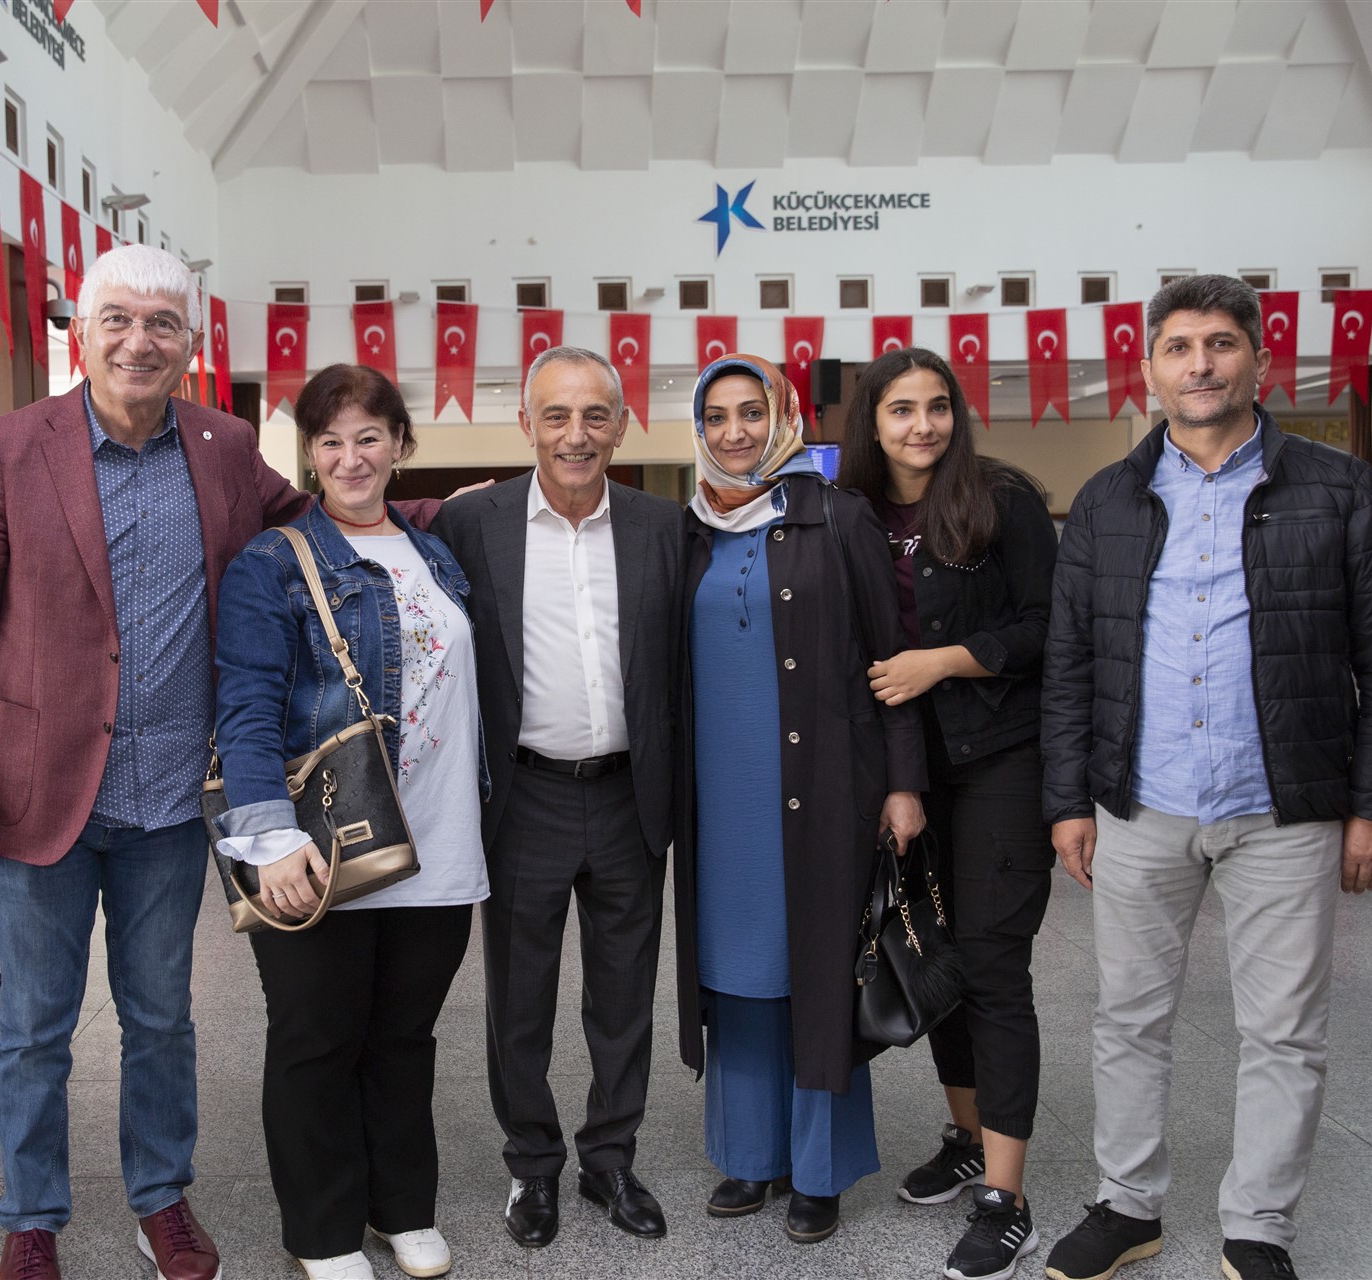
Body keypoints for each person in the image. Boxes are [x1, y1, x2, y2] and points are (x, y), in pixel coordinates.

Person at [1041, 275, 1372, 1280]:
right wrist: (1067, 801)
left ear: (1259, 358)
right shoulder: (1108, 500)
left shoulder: (1338, 487)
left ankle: (1259, 1226)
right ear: (1149, 369)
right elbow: (1070, 661)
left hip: (1285, 807)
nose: (1200, 364)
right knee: (1128, 1018)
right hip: (1140, 802)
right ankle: (1127, 1206)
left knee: (1284, 1031)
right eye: (1178, 347)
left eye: (1220, 343)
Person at [0, 245, 281, 1280]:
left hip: (169, 799)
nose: (138, 340)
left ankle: (161, 1197)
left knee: (161, 1018)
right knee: (34, 1027)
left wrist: (446, 517)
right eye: (117, 319)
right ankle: (31, 1214)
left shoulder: (225, 445)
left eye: (162, 322)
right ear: (80, 334)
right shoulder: (7, 447)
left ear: (191, 343)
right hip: (37, 791)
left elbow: (314, 522)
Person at [213, 364, 488, 1280]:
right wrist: (270, 839)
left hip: (439, 840)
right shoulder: (271, 563)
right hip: (323, 841)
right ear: (309, 454)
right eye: (330, 441)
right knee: (316, 1039)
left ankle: (400, 1207)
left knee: (404, 1039)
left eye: (369, 436)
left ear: (401, 444)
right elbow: (246, 708)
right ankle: (324, 1230)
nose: (350, 457)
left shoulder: (437, 553)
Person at [430, 346, 683, 1250]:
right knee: (519, 999)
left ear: (622, 426)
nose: (576, 435)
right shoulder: (473, 522)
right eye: (557, 416)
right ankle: (532, 1165)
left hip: (629, 797)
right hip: (522, 798)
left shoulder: (664, 526)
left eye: (595, 416)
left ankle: (609, 1158)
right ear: (527, 425)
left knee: (624, 996)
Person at [673, 353, 928, 1247]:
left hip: (823, 782)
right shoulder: (690, 529)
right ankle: (751, 1155)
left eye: (752, 412)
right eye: (716, 417)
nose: (735, 432)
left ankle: (818, 1170)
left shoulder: (837, 514)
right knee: (738, 970)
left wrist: (903, 782)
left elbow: (889, 658)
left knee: (816, 968)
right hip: (721, 796)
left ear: (783, 417)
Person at [836, 347, 1058, 1280]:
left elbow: (1047, 625)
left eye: (936, 406)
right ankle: (968, 1139)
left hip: (1000, 761)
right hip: (904, 774)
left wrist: (945, 661)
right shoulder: (847, 512)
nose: (921, 424)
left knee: (996, 969)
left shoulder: (1001, 499)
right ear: (872, 423)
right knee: (942, 961)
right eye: (901, 409)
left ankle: (1008, 1200)